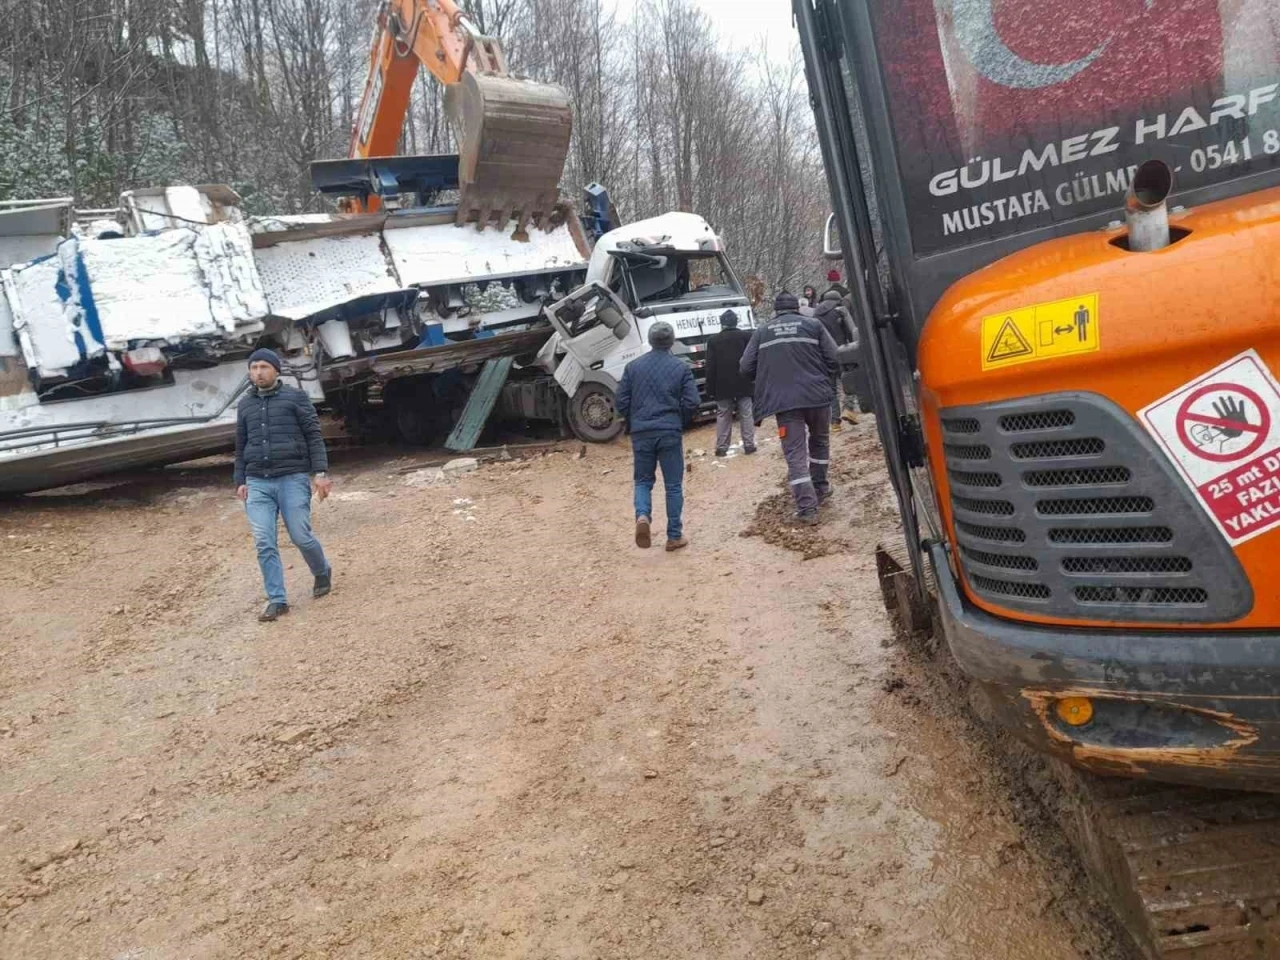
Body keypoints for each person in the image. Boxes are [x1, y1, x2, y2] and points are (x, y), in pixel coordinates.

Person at [234, 348, 333, 622]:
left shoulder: (296, 398)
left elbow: (314, 436)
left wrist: (320, 473)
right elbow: (241, 444)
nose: (258, 373)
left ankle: (321, 570)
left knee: (300, 536)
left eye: (264, 367)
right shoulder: (245, 405)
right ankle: (277, 600)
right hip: (257, 482)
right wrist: (240, 480)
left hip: (292, 478)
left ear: (276, 370)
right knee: (264, 542)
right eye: (254, 368)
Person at [740, 291, 840, 525]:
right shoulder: (813, 325)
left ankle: (807, 509)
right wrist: (824, 375)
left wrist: (769, 376)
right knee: (820, 442)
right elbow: (835, 357)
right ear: (797, 308)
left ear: (776, 311)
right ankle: (821, 487)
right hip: (817, 397)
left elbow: (745, 367)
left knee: (795, 453)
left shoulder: (763, 332)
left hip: (785, 403)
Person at [615, 322, 700, 552]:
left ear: (650, 342)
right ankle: (674, 536)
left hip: (642, 433)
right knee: (673, 485)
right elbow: (693, 402)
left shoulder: (633, 367)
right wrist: (678, 420)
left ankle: (642, 516)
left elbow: (620, 402)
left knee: (643, 481)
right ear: (671, 342)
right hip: (670, 431)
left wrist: (635, 420)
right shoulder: (680, 368)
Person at [704, 309, 756, 457]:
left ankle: (721, 447)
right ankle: (749, 445)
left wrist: (710, 388)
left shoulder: (713, 341)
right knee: (746, 413)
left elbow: (711, 366)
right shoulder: (746, 336)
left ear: (722, 323)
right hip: (744, 381)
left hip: (722, 384)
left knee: (723, 414)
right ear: (736, 321)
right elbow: (752, 359)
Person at [814, 292, 853, 431]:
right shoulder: (840, 309)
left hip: (824, 355)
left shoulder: (816, 314)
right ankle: (848, 409)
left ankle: (834, 421)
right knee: (850, 380)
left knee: (831, 389)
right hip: (843, 350)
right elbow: (850, 330)